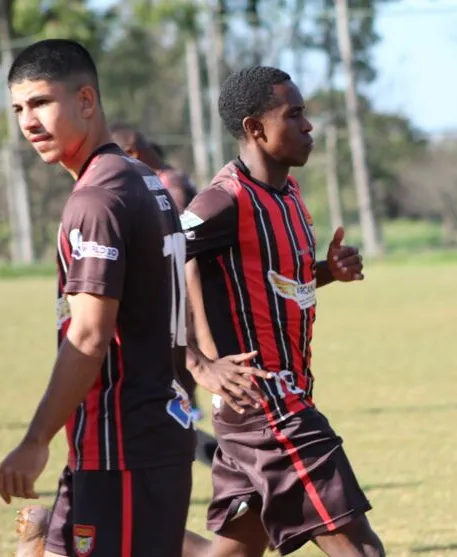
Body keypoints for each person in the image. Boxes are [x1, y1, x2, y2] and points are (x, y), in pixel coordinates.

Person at [1, 38, 266, 557]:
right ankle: (44, 529)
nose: (28, 121)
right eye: (18, 108)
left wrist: (35, 440)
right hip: (139, 437)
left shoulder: (99, 200)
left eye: (41, 103)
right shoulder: (143, 181)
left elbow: (90, 333)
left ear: (85, 101)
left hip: (122, 445)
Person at [174, 65, 384, 557]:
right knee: (362, 550)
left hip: (265, 406)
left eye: (305, 113)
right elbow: (158, 264)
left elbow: (271, 284)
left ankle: (67, 529)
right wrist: (198, 363)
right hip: (269, 407)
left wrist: (327, 271)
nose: (309, 126)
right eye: (294, 115)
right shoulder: (222, 201)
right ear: (255, 128)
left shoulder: (288, 195)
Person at [109, 123, 205, 422]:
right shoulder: (160, 178)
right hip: (175, 276)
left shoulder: (167, 182)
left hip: (187, 276)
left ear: (132, 152)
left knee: (185, 338)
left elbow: (175, 230)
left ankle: (186, 402)